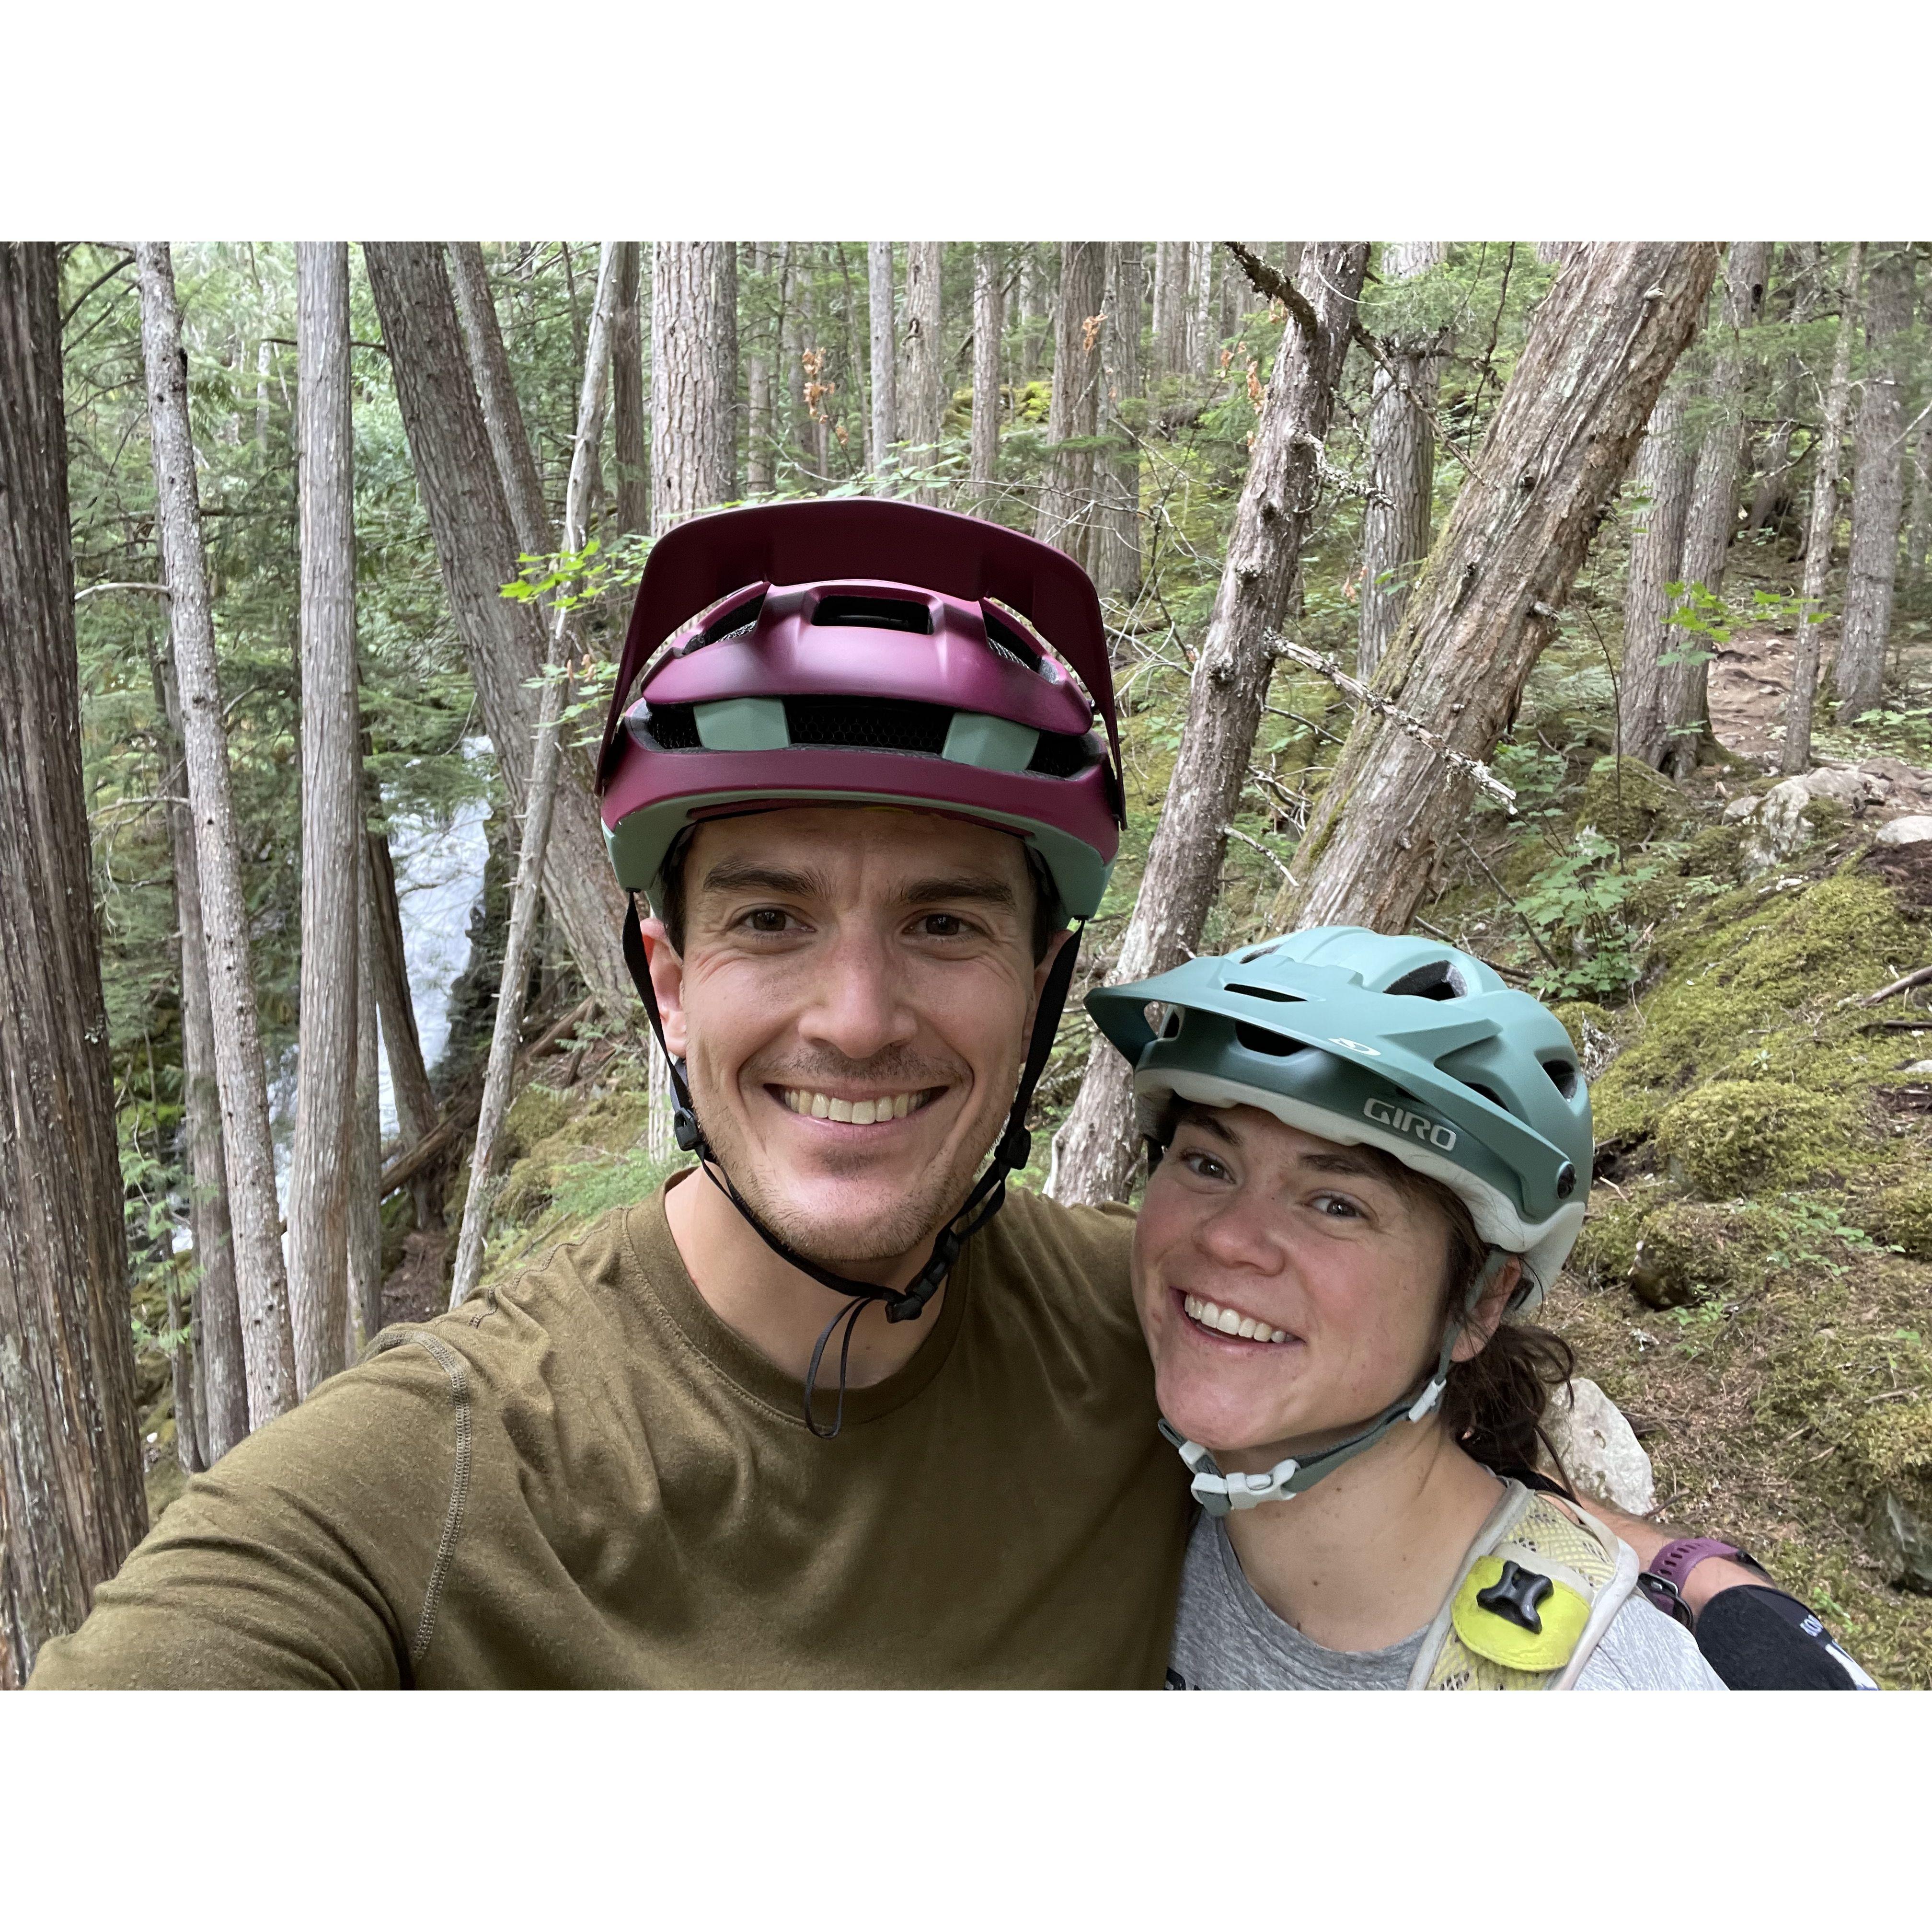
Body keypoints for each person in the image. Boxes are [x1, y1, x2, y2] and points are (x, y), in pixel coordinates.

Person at [29, 499, 1867, 1689]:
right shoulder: (416, 1475)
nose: (854, 1014)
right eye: (767, 919)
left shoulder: (1144, 1315)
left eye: (944, 921)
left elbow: (1411, 1435)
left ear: (1040, 984)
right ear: (667, 982)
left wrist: (1702, 1584)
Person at [1087, 929, 1727, 1690]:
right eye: (1207, 1163)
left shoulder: (1617, 1692)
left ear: (1480, 1301)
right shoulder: (1099, 1485)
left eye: (1336, 1204)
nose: (1229, 1240)